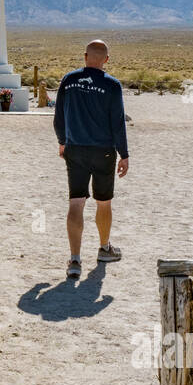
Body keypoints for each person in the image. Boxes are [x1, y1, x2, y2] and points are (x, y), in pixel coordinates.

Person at [54, 39, 130, 279]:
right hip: (103, 151)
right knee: (103, 202)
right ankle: (104, 247)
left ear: (85, 56)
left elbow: (58, 116)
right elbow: (118, 123)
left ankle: (75, 259)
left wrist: (62, 140)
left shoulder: (69, 80)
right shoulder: (112, 85)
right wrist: (124, 153)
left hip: (75, 148)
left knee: (76, 202)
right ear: (106, 60)